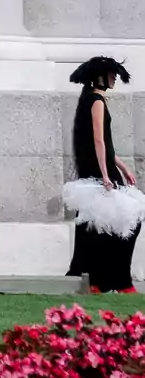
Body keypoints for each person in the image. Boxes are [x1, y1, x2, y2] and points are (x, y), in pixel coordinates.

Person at [65, 56, 137, 294]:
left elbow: (103, 142)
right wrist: (107, 175)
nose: (114, 78)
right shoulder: (96, 101)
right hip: (98, 171)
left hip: (97, 168)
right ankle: (117, 281)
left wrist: (123, 167)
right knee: (128, 219)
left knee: (94, 226)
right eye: (111, 74)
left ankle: (95, 280)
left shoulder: (90, 99)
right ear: (99, 77)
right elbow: (98, 140)